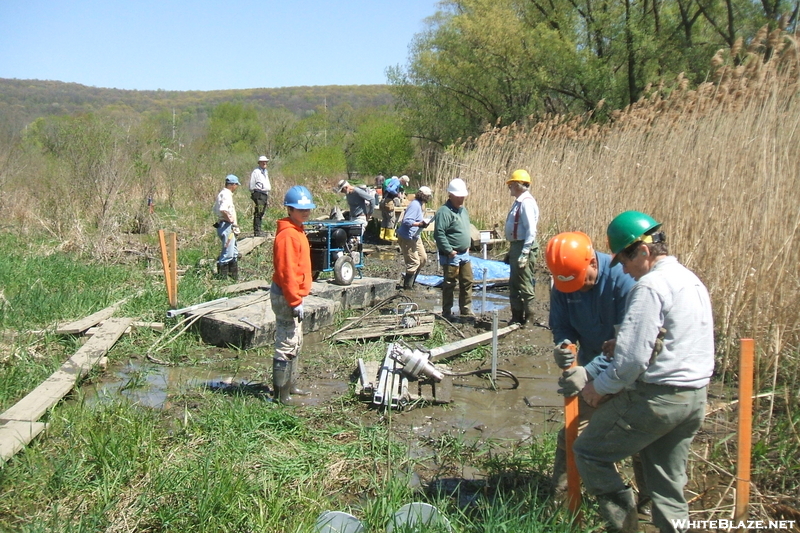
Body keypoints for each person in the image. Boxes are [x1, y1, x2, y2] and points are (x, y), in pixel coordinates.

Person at [562, 211, 714, 533]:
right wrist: (623, 342)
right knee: (667, 486)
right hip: (695, 398)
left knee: (588, 452)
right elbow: (681, 339)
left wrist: (597, 388)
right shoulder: (690, 280)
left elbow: (630, 364)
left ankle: (624, 526)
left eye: (625, 262)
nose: (625, 271)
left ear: (643, 251)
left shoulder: (650, 286)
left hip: (658, 400)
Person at [544, 231, 646, 507]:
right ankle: (562, 503)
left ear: (592, 262)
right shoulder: (563, 281)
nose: (577, 289)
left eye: (583, 281)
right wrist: (563, 345)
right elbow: (562, 324)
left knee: (640, 441)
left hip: (630, 372)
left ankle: (645, 508)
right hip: (588, 371)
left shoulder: (625, 282)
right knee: (571, 434)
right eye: (568, 285)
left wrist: (588, 371)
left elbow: (629, 346)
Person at [270, 185, 316, 404]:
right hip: (287, 295)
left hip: (293, 294)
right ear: (289, 209)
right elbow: (287, 271)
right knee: (286, 342)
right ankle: (281, 395)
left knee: (296, 340)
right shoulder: (289, 235)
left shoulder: (297, 229)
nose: (304, 213)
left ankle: (292, 385)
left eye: (307, 209)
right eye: (300, 209)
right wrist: (295, 300)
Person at [433, 178, 473, 319]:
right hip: (452, 255)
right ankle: (447, 311)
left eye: (462, 196)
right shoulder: (444, 212)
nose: (461, 199)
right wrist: (449, 250)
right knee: (450, 283)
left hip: (464, 253)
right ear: (450, 195)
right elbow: (439, 233)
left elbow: (466, 228)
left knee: (467, 281)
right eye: (458, 196)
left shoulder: (463, 211)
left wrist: (467, 245)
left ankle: (466, 309)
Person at [504, 169, 540, 326]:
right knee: (514, 284)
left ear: (518, 185)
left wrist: (524, 253)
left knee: (524, 284)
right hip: (516, 246)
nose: (509, 187)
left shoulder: (526, 203)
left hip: (524, 246)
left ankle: (529, 320)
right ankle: (516, 317)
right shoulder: (519, 201)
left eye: (511, 184)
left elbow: (531, 230)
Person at [397, 186, 433, 289]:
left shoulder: (420, 205)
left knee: (423, 259)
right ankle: (407, 287)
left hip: (415, 236)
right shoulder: (415, 205)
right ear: (424, 196)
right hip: (407, 236)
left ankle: (412, 281)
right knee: (414, 262)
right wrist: (419, 224)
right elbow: (407, 220)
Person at [212, 174, 241, 280]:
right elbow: (223, 209)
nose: (236, 187)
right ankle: (222, 279)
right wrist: (231, 220)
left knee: (233, 251)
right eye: (236, 185)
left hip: (226, 225)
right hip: (226, 225)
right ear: (232, 185)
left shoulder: (223, 194)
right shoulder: (226, 194)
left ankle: (234, 277)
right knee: (227, 252)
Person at [380, 175, 410, 242]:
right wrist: (397, 194)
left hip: (384, 201)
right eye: (404, 183)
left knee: (385, 218)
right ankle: (389, 236)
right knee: (392, 218)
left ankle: (382, 235)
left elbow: (387, 189)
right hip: (388, 201)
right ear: (402, 180)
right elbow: (390, 189)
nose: (404, 184)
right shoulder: (397, 182)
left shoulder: (393, 181)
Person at [249, 155, 272, 236]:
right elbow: (252, 183)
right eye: (263, 162)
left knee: (261, 212)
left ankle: (259, 230)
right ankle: (257, 231)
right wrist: (253, 193)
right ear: (259, 163)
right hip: (259, 193)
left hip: (265, 193)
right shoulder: (256, 172)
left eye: (265, 161)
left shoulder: (265, 171)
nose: (264, 163)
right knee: (258, 212)